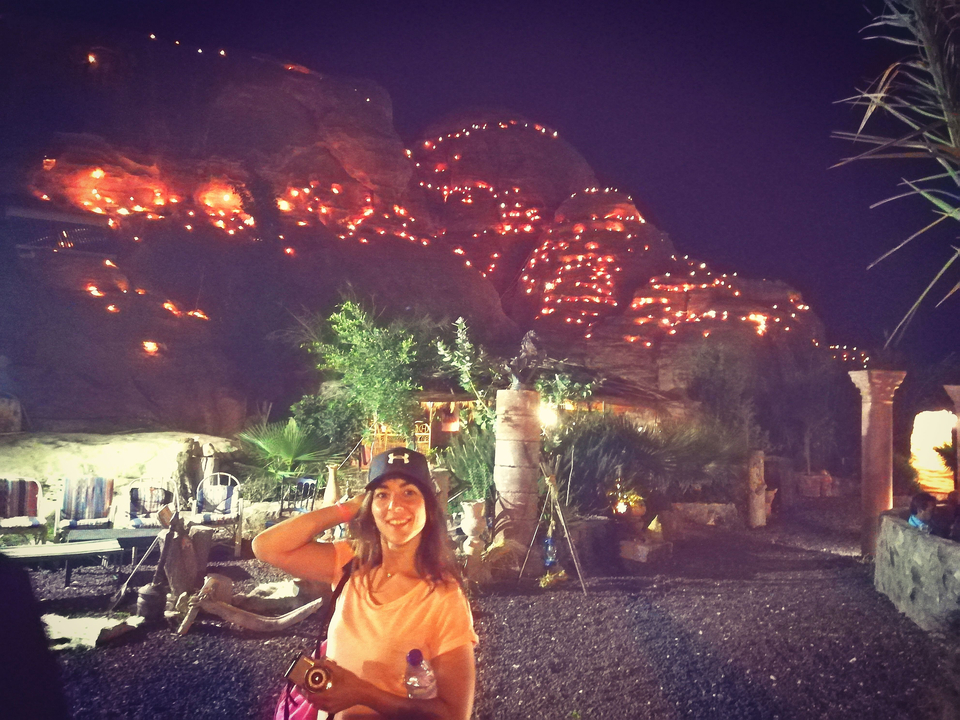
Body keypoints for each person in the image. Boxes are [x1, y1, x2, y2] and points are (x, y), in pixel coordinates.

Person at [253, 447, 477, 720]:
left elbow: (454, 714)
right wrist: (349, 508)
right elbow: (266, 547)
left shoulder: (443, 596)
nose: (395, 505)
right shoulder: (351, 563)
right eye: (382, 494)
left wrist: (362, 694)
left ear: (428, 506)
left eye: (409, 492)